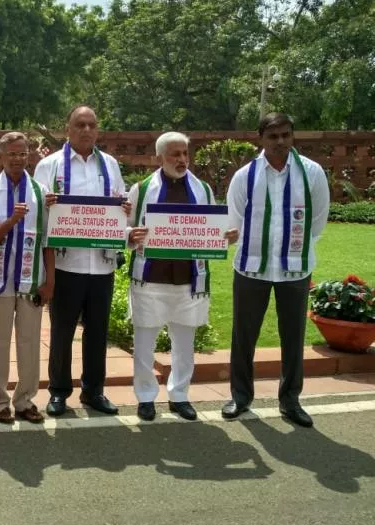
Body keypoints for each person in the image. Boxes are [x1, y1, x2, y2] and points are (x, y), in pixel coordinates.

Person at [222, 112, 330, 428]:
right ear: (261, 139)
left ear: (292, 135)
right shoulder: (245, 175)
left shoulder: (312, 173)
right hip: (251, 268)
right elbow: (234, 220)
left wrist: (294, 251)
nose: (280, 141)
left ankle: (290, 400)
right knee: (243, 336)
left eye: (285, 134)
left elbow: (318, 221)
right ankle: (240, 397)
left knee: (293, 337)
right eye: (273, 136)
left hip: (295, 270)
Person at [126, 132, 237, 421]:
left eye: (185, 154)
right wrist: (130, 235)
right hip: (150, 279)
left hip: (189, 279)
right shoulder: (142, 189)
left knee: (184, 345)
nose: (181, 159)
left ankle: (179, 395)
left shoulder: (202, 189)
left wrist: (224, 238)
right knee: (144, 344)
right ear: (160, 157)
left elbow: (210, 232)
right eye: (175, 154)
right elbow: (123, 229)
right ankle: (146, 397)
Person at [32, 105, 126, 417]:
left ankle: (93, 390)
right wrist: (46, 206)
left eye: (91, 125)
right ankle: (58, 391)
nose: (86, 130)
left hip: (101, 264)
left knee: (98, 331)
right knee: (62, 331)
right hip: (65, 264)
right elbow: (37, 216)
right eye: (80, 124)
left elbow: (119, 205)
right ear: (67, 129)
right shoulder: (50, 165)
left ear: (98, 130)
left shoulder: (109, 164)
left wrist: (122, 210)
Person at [0, 132, 54, 424]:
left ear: (30, 156)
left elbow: (48, 240)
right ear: (0, 157)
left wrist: (50, 281)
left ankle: (25, 400)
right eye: (12, 154)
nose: (18, 159)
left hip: (30, 280)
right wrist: (11, 220)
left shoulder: (40, 193)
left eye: (23, 154)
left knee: (29, 342)